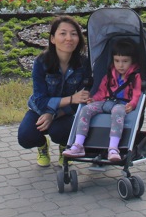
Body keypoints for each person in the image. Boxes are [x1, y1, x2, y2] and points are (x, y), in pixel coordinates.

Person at [17, 15, 92, 167]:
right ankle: (42, 146)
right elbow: (40, 99)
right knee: (26, 136)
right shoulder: (41, 62)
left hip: (65, 113)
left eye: (74, 33)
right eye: (63, 33)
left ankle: (65, 147)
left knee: (61, 131)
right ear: (52, 39)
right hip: (40, 110)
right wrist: (70, 99)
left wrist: (56, 113)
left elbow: (83, 100)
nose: (69, 38)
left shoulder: (83, 63)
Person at [62, 37, 143, 163]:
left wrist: (132, 104)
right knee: (86, 109)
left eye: (125, 61)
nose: (120, 65)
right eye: (117, 61)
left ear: (132, 62)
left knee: (118, 113)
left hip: (121, 103)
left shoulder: (135, 76)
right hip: (106, 101)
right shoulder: (110, 74)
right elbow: (102, 91)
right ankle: (78, 144)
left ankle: (113, 148)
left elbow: (137, 93)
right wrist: (93, 99)